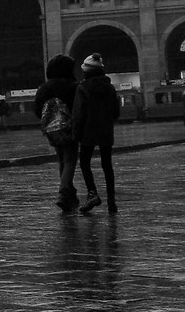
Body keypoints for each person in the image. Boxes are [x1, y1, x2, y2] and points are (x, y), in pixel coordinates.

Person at [72, 52, 121, 214]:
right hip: (106, 130)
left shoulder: (83, 88)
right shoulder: (109, 87)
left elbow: (79, 114)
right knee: (107, 164)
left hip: (88, 131)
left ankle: (92, 193)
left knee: (85, 162)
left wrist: (76, 134)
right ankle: (111, 201)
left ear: (87, 71)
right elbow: (116, 112)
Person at [35, 55, 81, 211]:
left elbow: (37, 110)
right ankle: (63, 192)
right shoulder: (73, 86)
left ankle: (69, 194)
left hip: (52, 130)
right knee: (70, 160)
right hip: (69, 128)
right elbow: (79, 108)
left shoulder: (44, 88)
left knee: (62, 160)